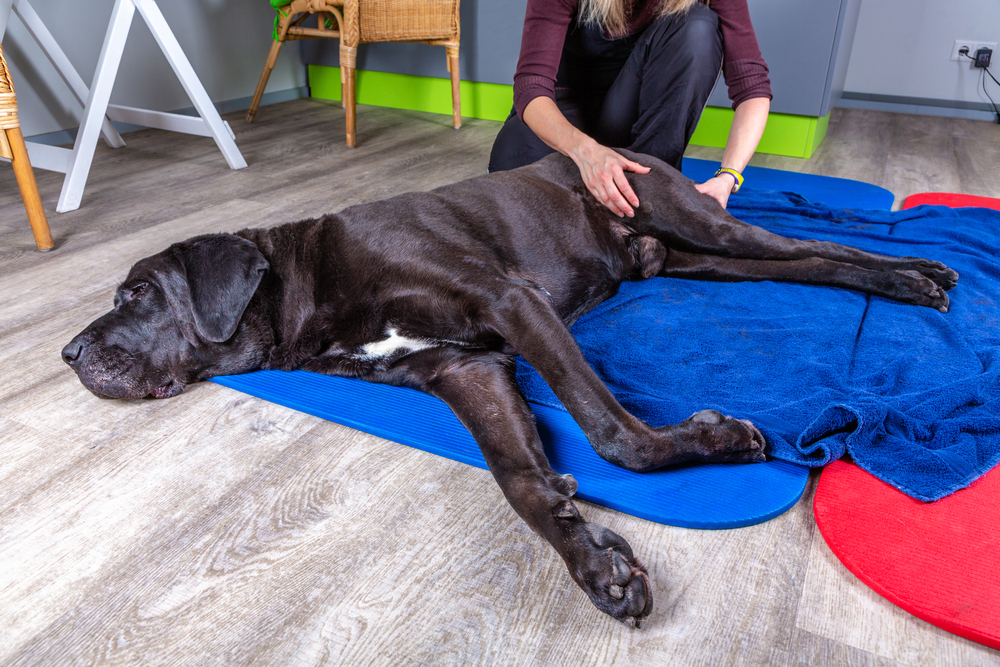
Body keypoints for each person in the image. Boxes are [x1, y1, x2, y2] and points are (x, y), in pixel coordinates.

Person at [488, 0, 771, 216]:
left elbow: (753, 88)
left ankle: (651, 193)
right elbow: (531, 87)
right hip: (566, 115)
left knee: (699, 27)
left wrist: (729, 177)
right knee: (511, 183)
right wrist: (586, 152)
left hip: (629, 121)